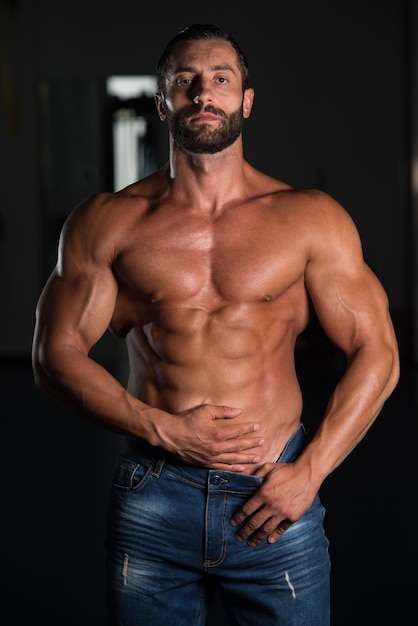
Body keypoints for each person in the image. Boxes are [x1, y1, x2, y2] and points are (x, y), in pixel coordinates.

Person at [32, 23, 400, 626]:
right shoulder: (107, 222)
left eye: (221, 80)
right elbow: (54, 356)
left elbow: (377, 350)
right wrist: (164, 429)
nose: (204, 94)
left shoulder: (310, 219)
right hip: (154, 496)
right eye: (185, 81)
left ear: (246, 100)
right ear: (163, 102)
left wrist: (311, 470)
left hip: (275, 495)